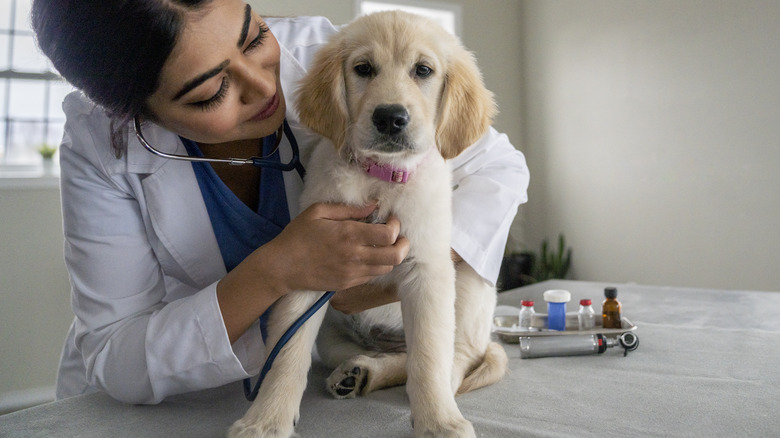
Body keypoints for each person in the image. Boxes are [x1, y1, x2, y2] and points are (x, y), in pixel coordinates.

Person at [32, 0, 530, 404]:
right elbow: (116, 354)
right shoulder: (101, 146)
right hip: (181, 403)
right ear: (139, 116)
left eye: (253, 37)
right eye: (211, 91)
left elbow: (499, 168)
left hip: (315, 388)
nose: (266, 85)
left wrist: (396, 271)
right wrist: (276, 271)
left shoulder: (331, 55)